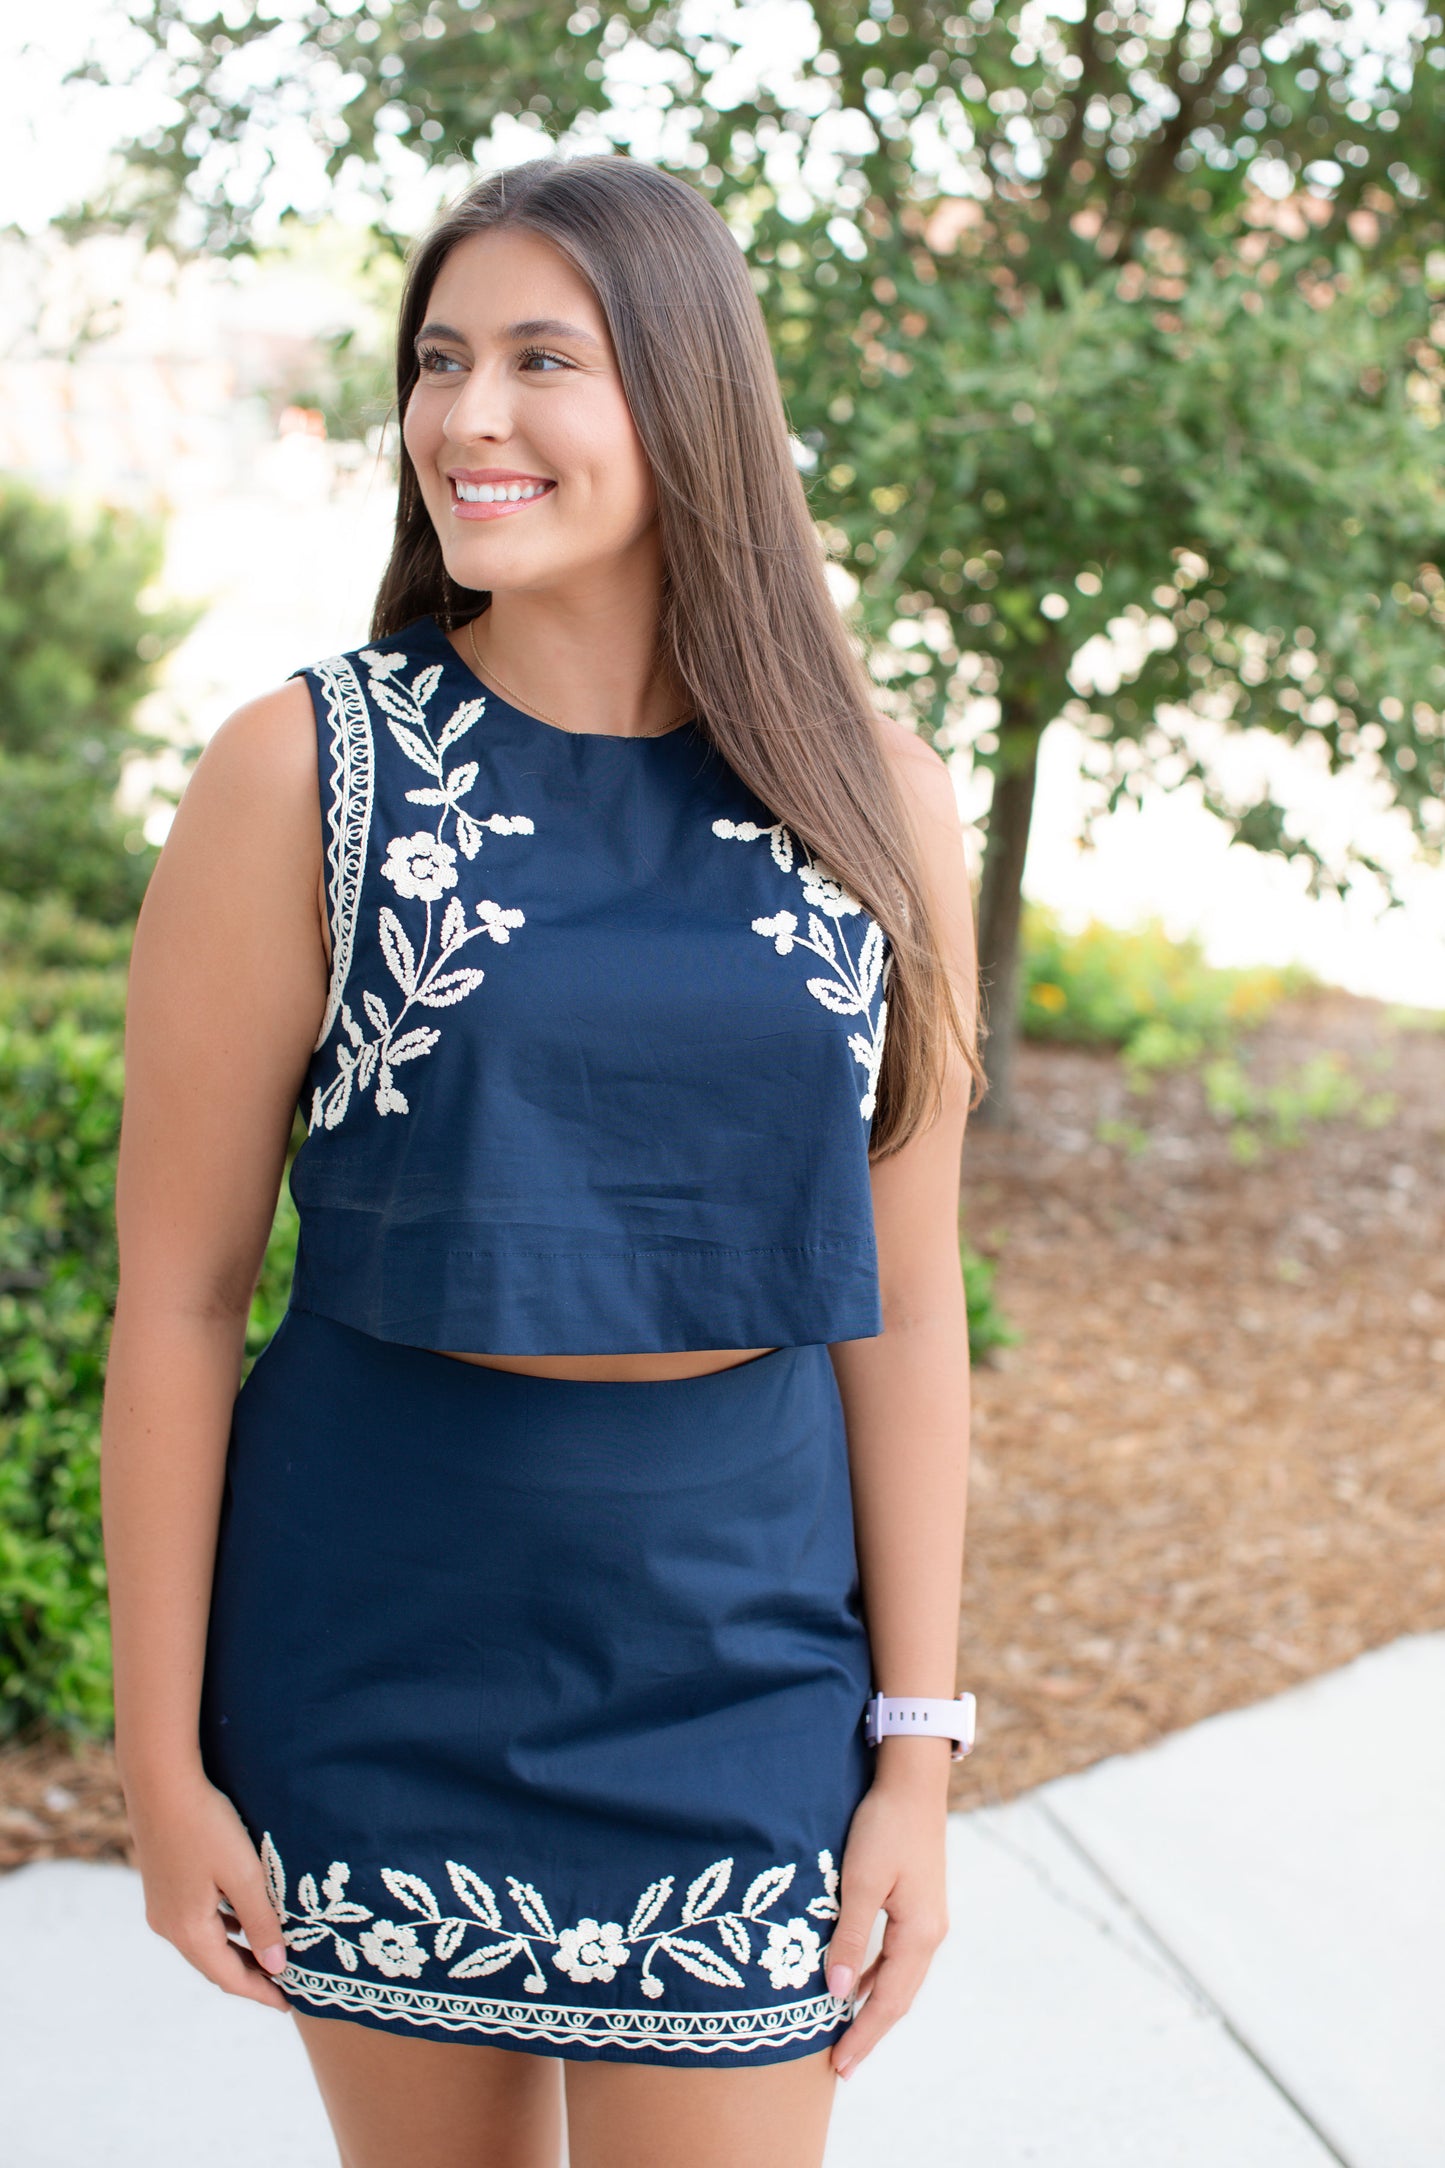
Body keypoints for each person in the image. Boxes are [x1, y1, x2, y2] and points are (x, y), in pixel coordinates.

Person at [102, 153, 983, 2168]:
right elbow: (174, 1300)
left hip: (741, 1669)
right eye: (437, 361)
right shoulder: (301, 772)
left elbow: (907, 1302)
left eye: (538, 361)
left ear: (686, 400)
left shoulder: (875, 802)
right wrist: (163, 1767)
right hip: (379, 1651)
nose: (464, 420)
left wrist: (917, 1759)